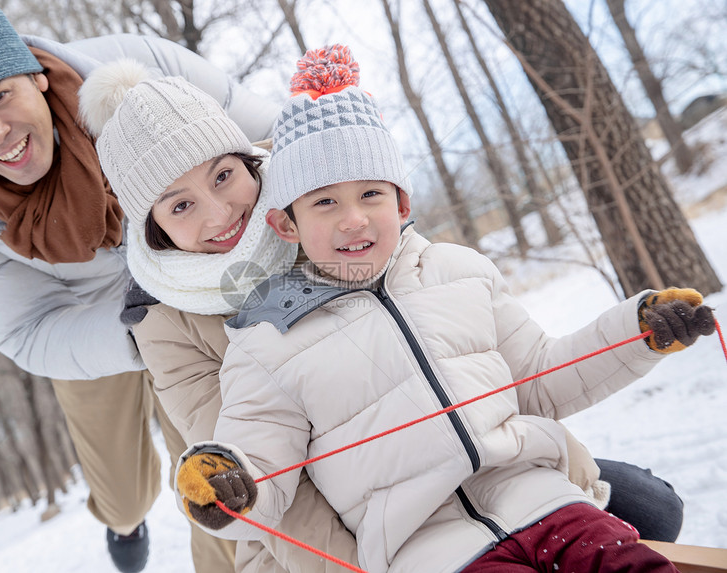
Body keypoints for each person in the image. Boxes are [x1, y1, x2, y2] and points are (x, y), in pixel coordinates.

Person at [173, 45, 717, 572]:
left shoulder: (459, 272)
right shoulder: (265, 340)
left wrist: (639, 330)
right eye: (325, 202)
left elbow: (542, 378)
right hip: (428, 551)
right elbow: (264, 469)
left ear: (402, 202)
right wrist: (230, 486)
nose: (354, 219)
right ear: (286, 224)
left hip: (545, 501)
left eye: (371, 195)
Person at [0, 1, 280, 571]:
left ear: (34, 74)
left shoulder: (136, 68)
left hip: (197, 295)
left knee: (221, 482)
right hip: (89, 325)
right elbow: (26, 329)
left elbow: (271, 133)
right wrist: (142, 327)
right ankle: (124, 524)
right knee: (123, 492)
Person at [77, 59, 360, 571]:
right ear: (154, 229)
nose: (220, 214)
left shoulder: (321, 204)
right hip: (308, 543)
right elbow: (257, 482)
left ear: (250, 161)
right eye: (180, 206)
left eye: (223, 176)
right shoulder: (163, 326)